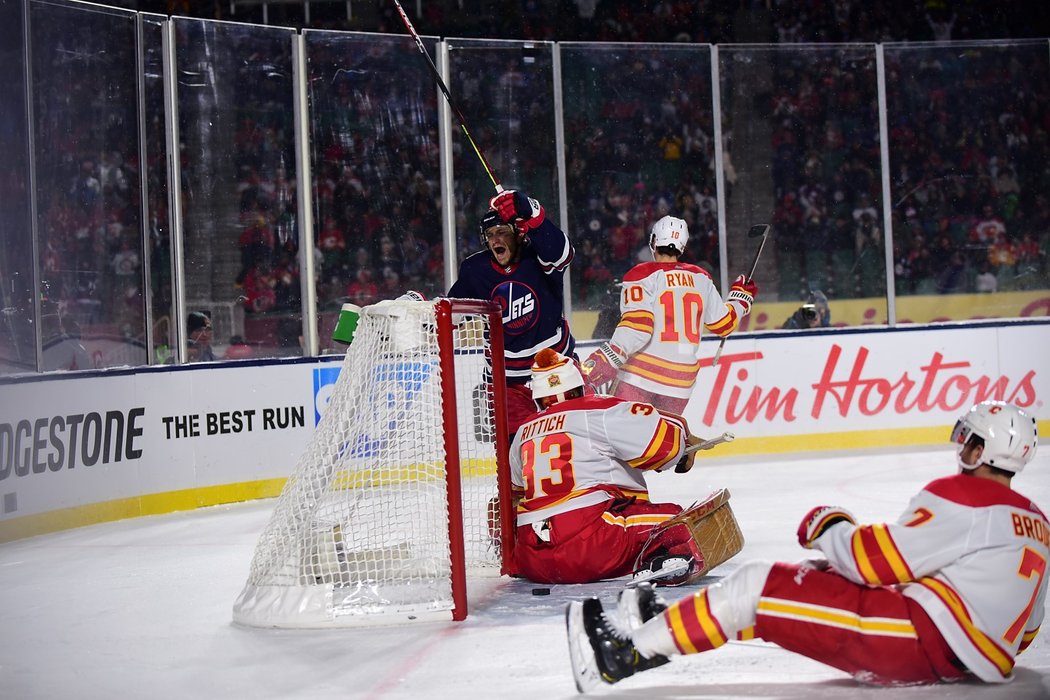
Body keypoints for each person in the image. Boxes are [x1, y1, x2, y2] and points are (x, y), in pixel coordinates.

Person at [566, 400, 1044, 691]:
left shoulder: (963, 495)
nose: (961, 448)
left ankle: (623, 656)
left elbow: (872, 562)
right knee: (810, 582)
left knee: (756, 586)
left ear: (982, 449)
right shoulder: (1036, 523)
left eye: (968, 439)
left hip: (917, 645)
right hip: (956, 653)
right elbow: (1026, 632)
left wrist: (829, 524)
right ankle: (670, 627)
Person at [509, 348, 717, 585]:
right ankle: (658, 557)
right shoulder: (597, 410)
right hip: (590, 546)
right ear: (578, 387)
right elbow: (660, 448)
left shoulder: (523, 432)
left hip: (534, 559)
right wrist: (682, 447)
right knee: (680, 522)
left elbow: (515, 494)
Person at [580, 215, 757, 414]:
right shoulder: (701, 277)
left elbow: (638, 328)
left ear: (654, 241)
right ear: (682, 247)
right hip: (680, 383)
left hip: (641, 377)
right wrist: (740, 298)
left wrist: (603, 361)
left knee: (623, 435)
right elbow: (724, 324)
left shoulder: (642, 274)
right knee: (663, 439)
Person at [448, 189, 575, 438]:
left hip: (556, 370)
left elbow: (563, 253)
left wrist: (532, 212)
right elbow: (450, 311)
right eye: (490, 234)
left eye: (502, 231)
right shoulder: (475, 270)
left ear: (518, 233)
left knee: (572, 440)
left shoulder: (537, 256)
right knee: (517, 454)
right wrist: (419, 310)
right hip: (507, 384)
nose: (495, 240)